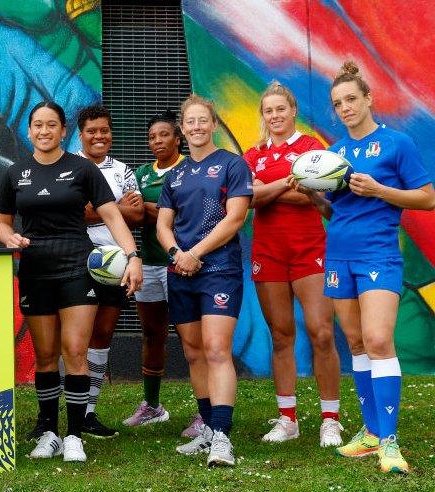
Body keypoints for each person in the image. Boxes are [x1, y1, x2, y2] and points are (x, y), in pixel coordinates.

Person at [296, 62, 434, 473]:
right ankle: (371, 433)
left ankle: (390, 443)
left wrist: (380, 190)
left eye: (352, 99)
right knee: (356, 344)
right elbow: (334, 211)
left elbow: (427, 199)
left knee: (377, 340)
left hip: (379, 254)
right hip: (339, 255)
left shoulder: (396, 144)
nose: (345, 108)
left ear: (368, 98)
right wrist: (312, 195)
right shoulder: (334, 153)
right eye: (338, 103)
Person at [0, 100, 142, 463]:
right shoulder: (15, 173)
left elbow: (112, 216)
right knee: (45, 356)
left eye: (51, 126)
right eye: (37, 126)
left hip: (77, 267)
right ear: (29, 131)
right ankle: (48, 432)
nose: (44, 132)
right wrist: (8, 238)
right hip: (34, 271)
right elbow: (1, 221)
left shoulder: (82, 169)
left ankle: (74, 434)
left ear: (63, 131)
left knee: (74, 352)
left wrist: (133, 257)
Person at [242, 82, 343, 447]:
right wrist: (292, 184)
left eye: (280, 109)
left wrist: (272, 191)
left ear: (292, 110)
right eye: (268, 111)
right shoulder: (253, 155)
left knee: (322, 332)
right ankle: (288, 418)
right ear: (263, 116)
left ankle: (330, 419)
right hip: (268, 253)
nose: (274, 116)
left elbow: (318, 195)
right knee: (282, 336)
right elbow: (249, 199)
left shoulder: (312, 148)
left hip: (309, 250)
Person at [157, 94, 252, 467]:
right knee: (194, 351)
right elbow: (164, 224)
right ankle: (209, 429)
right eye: (190, 122)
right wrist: (176, 255)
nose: (196, 127)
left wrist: (195, 253)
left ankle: (224, 437)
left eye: (203, 121)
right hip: (180, 272)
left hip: (219, 271)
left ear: (213, 124)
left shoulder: (232, 165)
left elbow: (235, 219)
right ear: (182, 129)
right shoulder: (175, 175)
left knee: (216, 349)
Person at [76, 104, 143, 438]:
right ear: (81, 134)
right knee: (75, 337)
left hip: (114, 263)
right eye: (92, 131)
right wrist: (115, 209)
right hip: (76, 259)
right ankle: (69, 409)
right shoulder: (69, 165)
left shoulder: (123, 170)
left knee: (102, 333)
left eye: (104, 130)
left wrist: (98, 211)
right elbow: (75, 213)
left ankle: (88, 412)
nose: (99, 136)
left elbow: (138, 214)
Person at [123, 111, 185, 429]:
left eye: (163, 135)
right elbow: (133, 214)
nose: (157, 141)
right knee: (152, 334)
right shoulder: (142, 173)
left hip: (181, 263)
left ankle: (206, 411)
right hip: (148, 263)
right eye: (151, 137)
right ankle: (152, 405)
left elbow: (182, 213)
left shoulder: (189, 168)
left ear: (178, 138)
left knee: (192, 337)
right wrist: (157, 211)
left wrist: (153, 210)